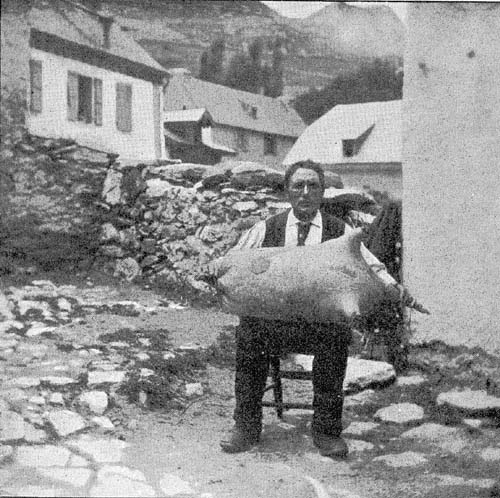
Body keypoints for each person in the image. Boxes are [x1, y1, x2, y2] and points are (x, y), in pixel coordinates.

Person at [219, 160, 409, 457]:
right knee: (248, 336)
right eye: (298, 186)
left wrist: (397, 291)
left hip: (319, 327)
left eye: (313, 186)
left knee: (337, 339)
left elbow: (372, 265)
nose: (305, 192)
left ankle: (326, 431)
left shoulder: (341, 231)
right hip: (273, 325)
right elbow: (234, 261)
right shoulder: (266, 227)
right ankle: (245, 427)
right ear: (287, 192)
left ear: (322, 191)